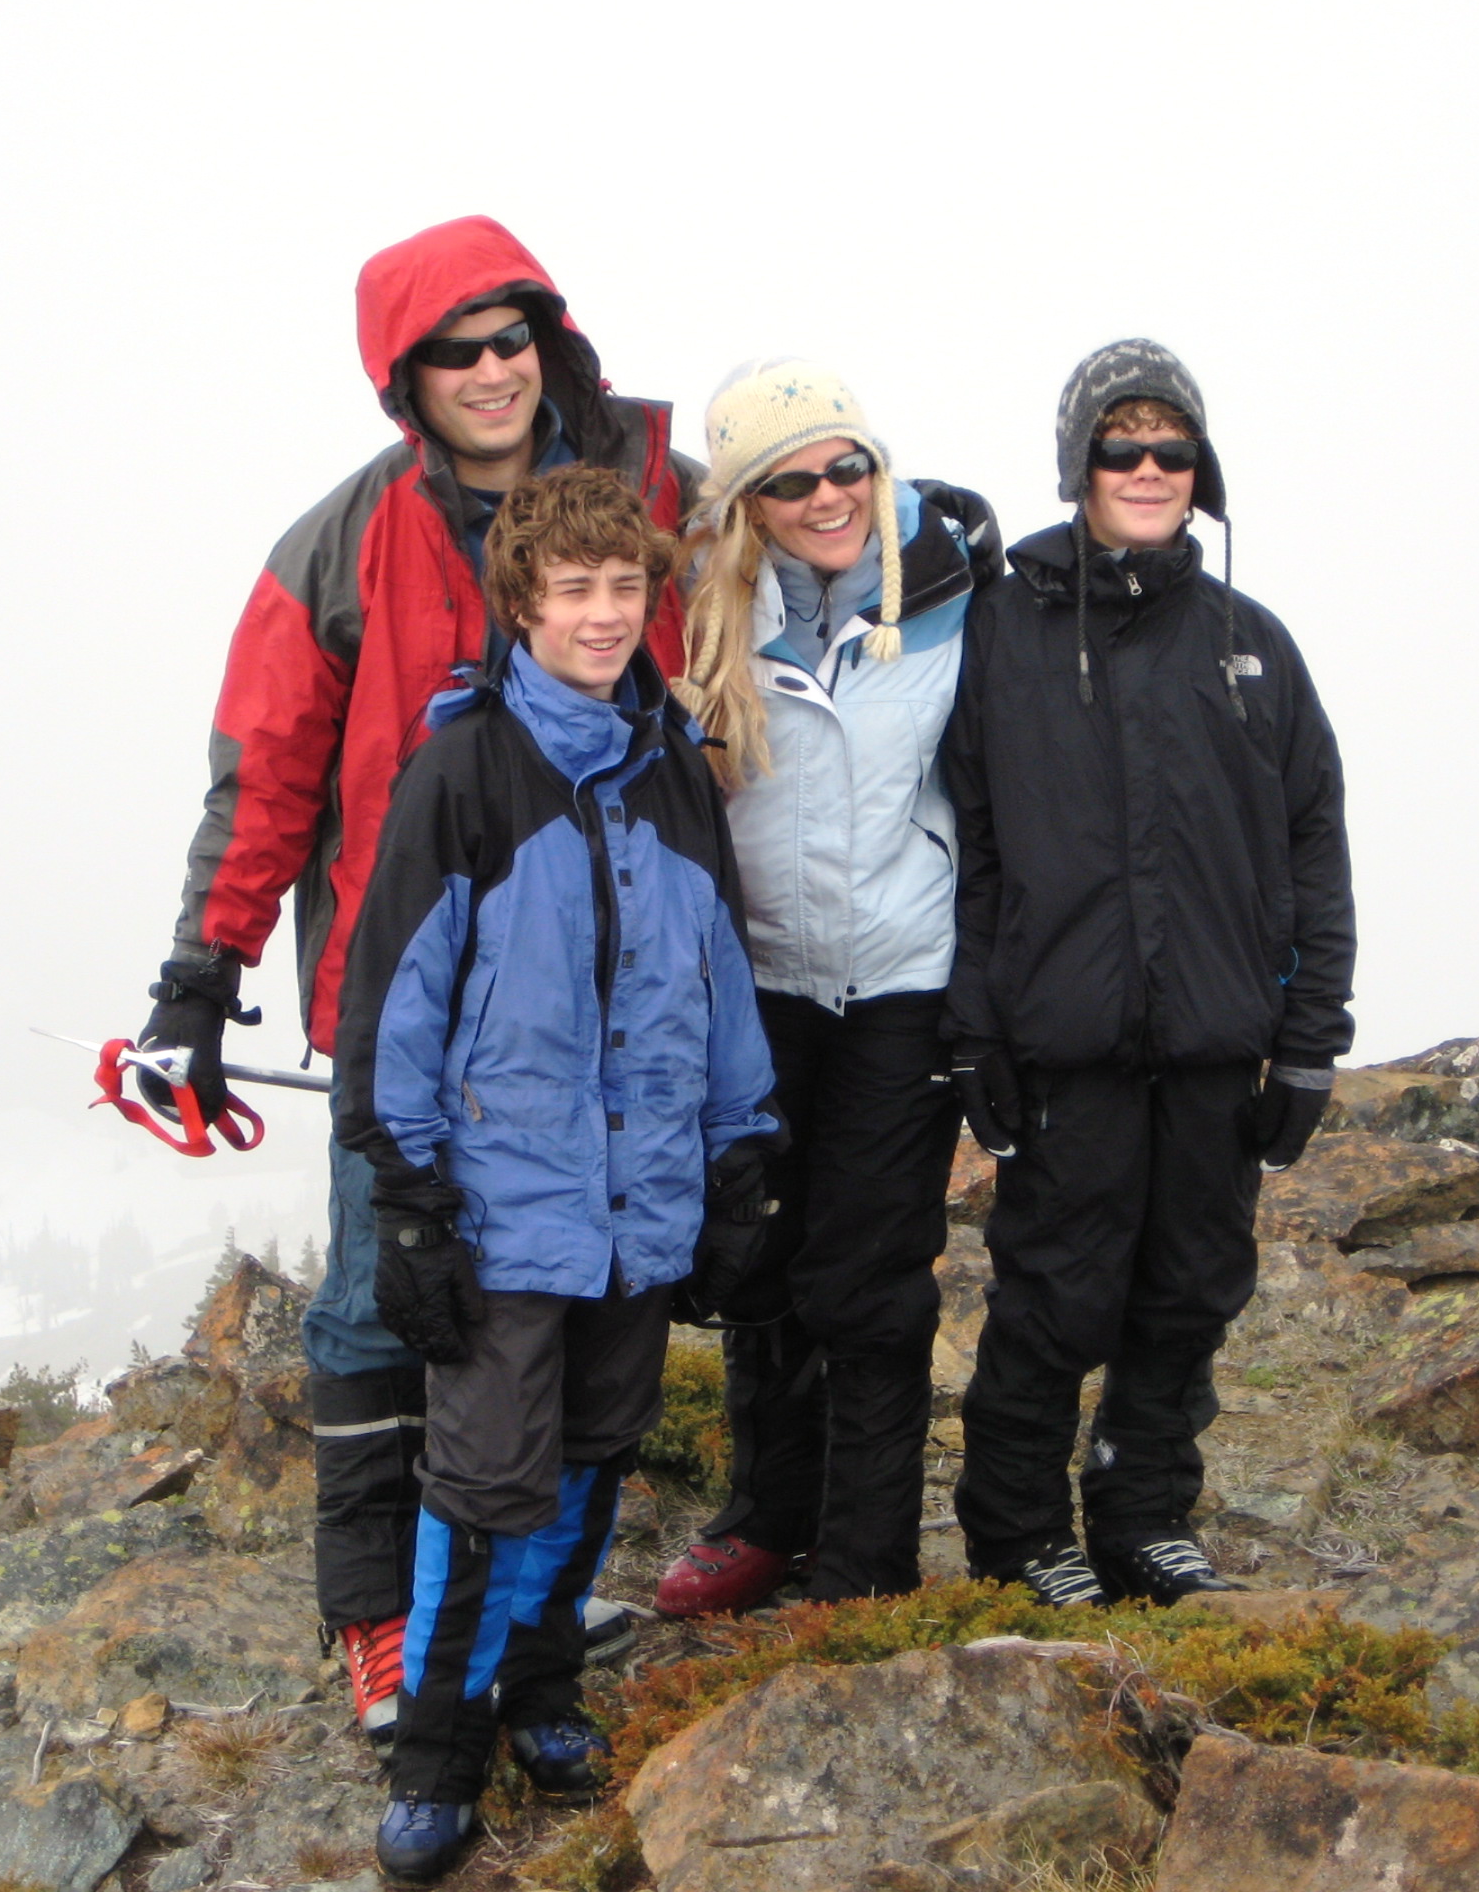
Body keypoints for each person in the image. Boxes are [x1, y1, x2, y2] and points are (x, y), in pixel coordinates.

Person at [131, 216, 698, 1751]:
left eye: (512, 337)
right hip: (408, 1006)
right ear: (405, 377)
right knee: (386, 1303)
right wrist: (200, 975)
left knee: (575, 1296)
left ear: (549, 342)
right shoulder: (343, 540)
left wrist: (926, 538)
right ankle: (377, 1615)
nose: (492, 370)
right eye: (455, 351)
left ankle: (517, 1600)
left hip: (605, 1008)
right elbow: (264, 773)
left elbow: (808, 517)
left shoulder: (651, 489)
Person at [333, 465, 782, 1881]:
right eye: (573, 588)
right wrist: (408, 1200)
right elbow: (392, 1002)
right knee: (483, 1485)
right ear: (521, 603)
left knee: (594, 1457)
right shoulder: (465, 770)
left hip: (641, 1206)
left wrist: (741, 1155)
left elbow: (719, 973)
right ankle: (438, 1755)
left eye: (624, 586)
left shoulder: (671, 767)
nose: (603, 614)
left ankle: (541, 1693)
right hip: (504, 1211)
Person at [942, 338, 1354, 1608]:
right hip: (1066, 1044)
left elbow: (1315, 843)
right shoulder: (1002, 631)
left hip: (1219, 1045)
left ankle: (1141, 1516)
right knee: (1055, 1298)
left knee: (1189, 1291)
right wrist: (975, 1030)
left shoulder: (1251, 643)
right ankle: (1018, 1534)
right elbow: (968, 845)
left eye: (1171, 447)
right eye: (1120, 445)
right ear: (1079, 462)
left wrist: (1309, 1041)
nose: (1147, 467)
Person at [652, 360, 1001, 1614]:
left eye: (846, 466)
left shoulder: (958, 591)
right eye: (789, 482)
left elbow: (997, 794)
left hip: (900, 982)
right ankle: (766, 1519)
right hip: (760, 987)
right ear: (747, 500)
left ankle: (864, 1562)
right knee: (759, 1255)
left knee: (872, 1273)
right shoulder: (708, 606)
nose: (827, 496)